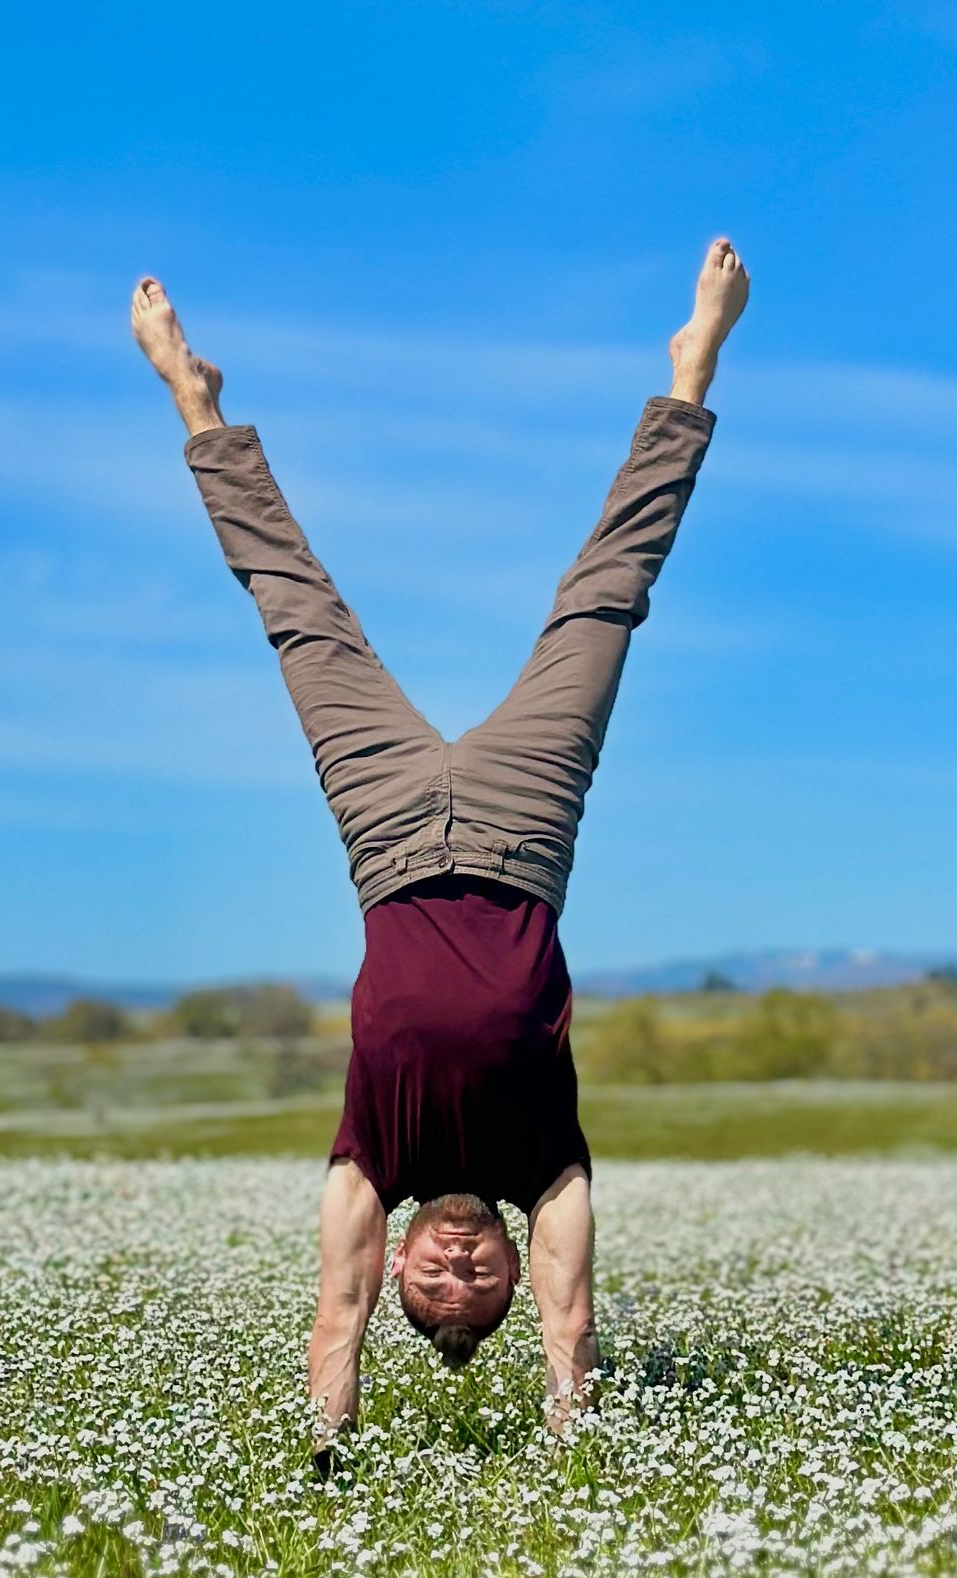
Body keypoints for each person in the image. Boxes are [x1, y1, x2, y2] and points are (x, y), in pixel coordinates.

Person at [131, 237, 750, 1446]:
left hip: (389, 833)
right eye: (480, 1280)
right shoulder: (550, 1172)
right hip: (525, 825)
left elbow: (332, 1314)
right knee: (606, 597)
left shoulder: (366, 1167)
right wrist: (573, 1440)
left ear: (400, 1253)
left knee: (297, 610)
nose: (456, 1265)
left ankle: (192, 401)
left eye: (433, 1279)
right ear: (518, 1267)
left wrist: (328, 1451)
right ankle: (693, 370)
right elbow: (574, 1323)